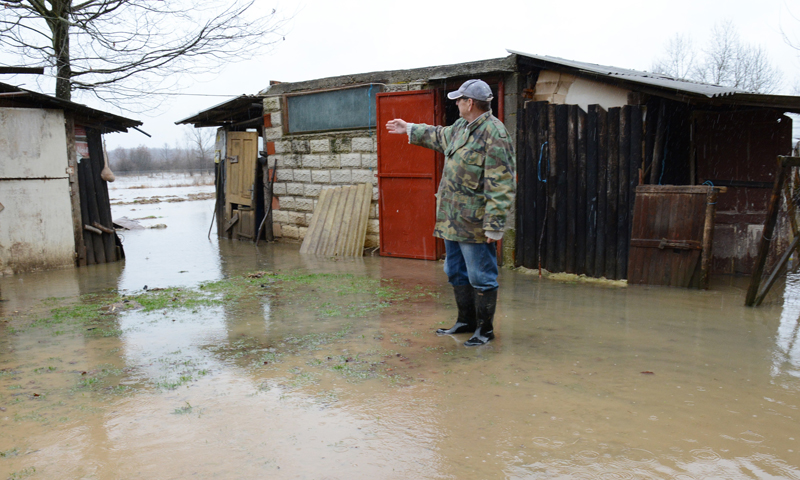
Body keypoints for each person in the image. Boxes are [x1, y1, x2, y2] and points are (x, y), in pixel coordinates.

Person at [385, 79, 516, 346]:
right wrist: (408, 128)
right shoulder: (460, 127)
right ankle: (465, 321)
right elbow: (438, 135)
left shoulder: (494, 133)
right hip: (451, 218)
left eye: (459, 99)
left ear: (470, 103)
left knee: (480, 275)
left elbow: (501, 182)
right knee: (455, 270)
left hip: (475, 221)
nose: (455, 103)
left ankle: (485, 330)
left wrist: (495, 224)